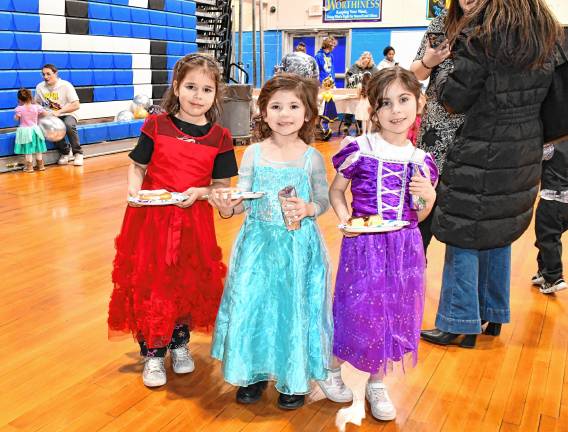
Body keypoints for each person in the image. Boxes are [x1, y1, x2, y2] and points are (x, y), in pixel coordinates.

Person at [420, 0, 562, 348]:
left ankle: (458, 321)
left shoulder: (482, 34)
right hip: (526, 143)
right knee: (499, 227)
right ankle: (493, 313)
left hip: (484, 143)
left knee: (463, 228)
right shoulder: (545, 31)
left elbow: (455, 97)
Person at [209, 74, 351, 410]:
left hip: (297, 247)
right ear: (263, 112)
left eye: (293, 106)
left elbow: (323, 199)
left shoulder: (311, 157)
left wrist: (308, 208)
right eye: (276, 106)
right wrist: (229, 207)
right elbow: (243, 199)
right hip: (257, 244)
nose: (284, 114)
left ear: (307, 113)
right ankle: (253, 372)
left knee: (293, 309)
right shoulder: (253, 154)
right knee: (254, 306)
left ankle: (294, 376)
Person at [107, 54, 239, 388]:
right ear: (177, 87)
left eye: (207, 89)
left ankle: (179, 343)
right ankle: (153, 351)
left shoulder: (221, 137)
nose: (198, 96)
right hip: (151, 220)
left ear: (216, 94)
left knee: (186, 280)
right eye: (191, 87)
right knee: (154, 281)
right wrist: (134, 193)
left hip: (194, 219)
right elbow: (137, 166)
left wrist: (202, 191)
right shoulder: (156, 125)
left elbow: (221, 186)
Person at [329, 67, 438, 422]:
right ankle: (331, 367)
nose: (396, 110)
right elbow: (336, 191)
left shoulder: (422, 161)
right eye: (385, 103)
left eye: (403, 100)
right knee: (355, 306)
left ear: (419, 102)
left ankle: (377, 382)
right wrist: (345, 221)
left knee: (392, 311)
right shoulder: (359, 149)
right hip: (363, 248)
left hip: (404, 250)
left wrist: (429, 198)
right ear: (373, 111)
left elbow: (419, 217)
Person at [410, 0, 472, 251]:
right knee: (422, 210)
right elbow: (415, 73)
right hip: (435, 134)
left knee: (463, 221)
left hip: (475, 135)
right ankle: (413, 273)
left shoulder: (495, 27)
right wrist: (429, 60)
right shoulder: (440, 23)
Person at [532, 140, 568, 294]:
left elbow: (534, 158)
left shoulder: (552, 144)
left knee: (547, 238)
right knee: (549, 237)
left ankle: (554, 278)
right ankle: (544, 270)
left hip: (552, 200)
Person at [35, 64, 83, 166]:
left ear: (56, 73)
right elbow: (37, 103)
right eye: (43, 74)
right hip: (51, 116)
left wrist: (59, 112)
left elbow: (76, 104)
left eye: (48, 74)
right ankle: (65, 152)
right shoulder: (40, 87)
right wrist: (42, 112)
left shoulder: (66, 85)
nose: (45, 77)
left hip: (68, 113)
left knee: (68, 125)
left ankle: (78, 153)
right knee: (51, 128)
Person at [13, 88, 47, 173]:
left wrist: (17, 115)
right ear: (31, 97)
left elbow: (16, 119)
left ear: (19, 99)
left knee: (28, 150)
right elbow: (45, 113)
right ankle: (41, 165)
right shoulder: (36, 107)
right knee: (38, 149)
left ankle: (29, 167)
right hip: (35, 130)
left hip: (25, 132)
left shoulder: (19, 108)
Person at [345, 52, 378, 135]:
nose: (366, 59)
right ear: (361, 58)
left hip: (366, 94)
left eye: (368, 58)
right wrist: (349, 79)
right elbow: (348, 75)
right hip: (355, 90)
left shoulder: (373, 68)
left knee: (364, 112)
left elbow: (378, 77)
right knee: (350, 107)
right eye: (365, 58)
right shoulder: (355, 66)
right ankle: (347, 124)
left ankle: (360, 126)